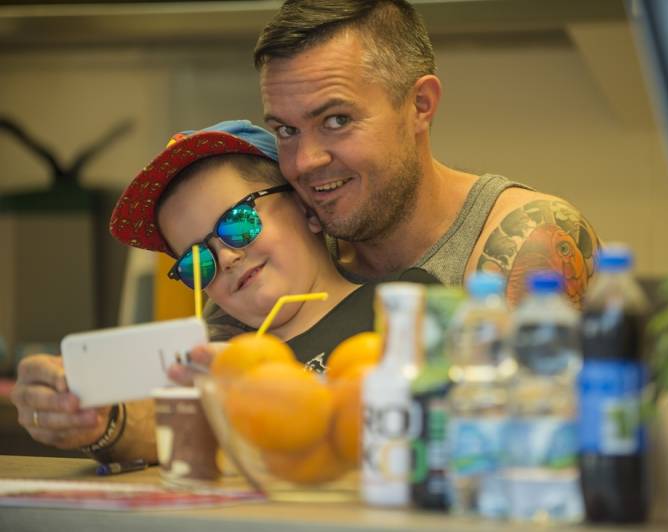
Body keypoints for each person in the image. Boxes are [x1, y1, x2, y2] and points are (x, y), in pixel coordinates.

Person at [10, 119, 436, 463]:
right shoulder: (207, 355)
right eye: (199, 261)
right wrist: (101, 420)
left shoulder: (402, 305)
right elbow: (150, 422)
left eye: (238, 222)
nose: (227, 257)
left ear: (307, 208)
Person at [203, 0, 600, 345]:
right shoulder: (277, 263)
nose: (305, 161)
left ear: (420, 105)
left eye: (337, 120)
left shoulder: (527, 239)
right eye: (287, 131)